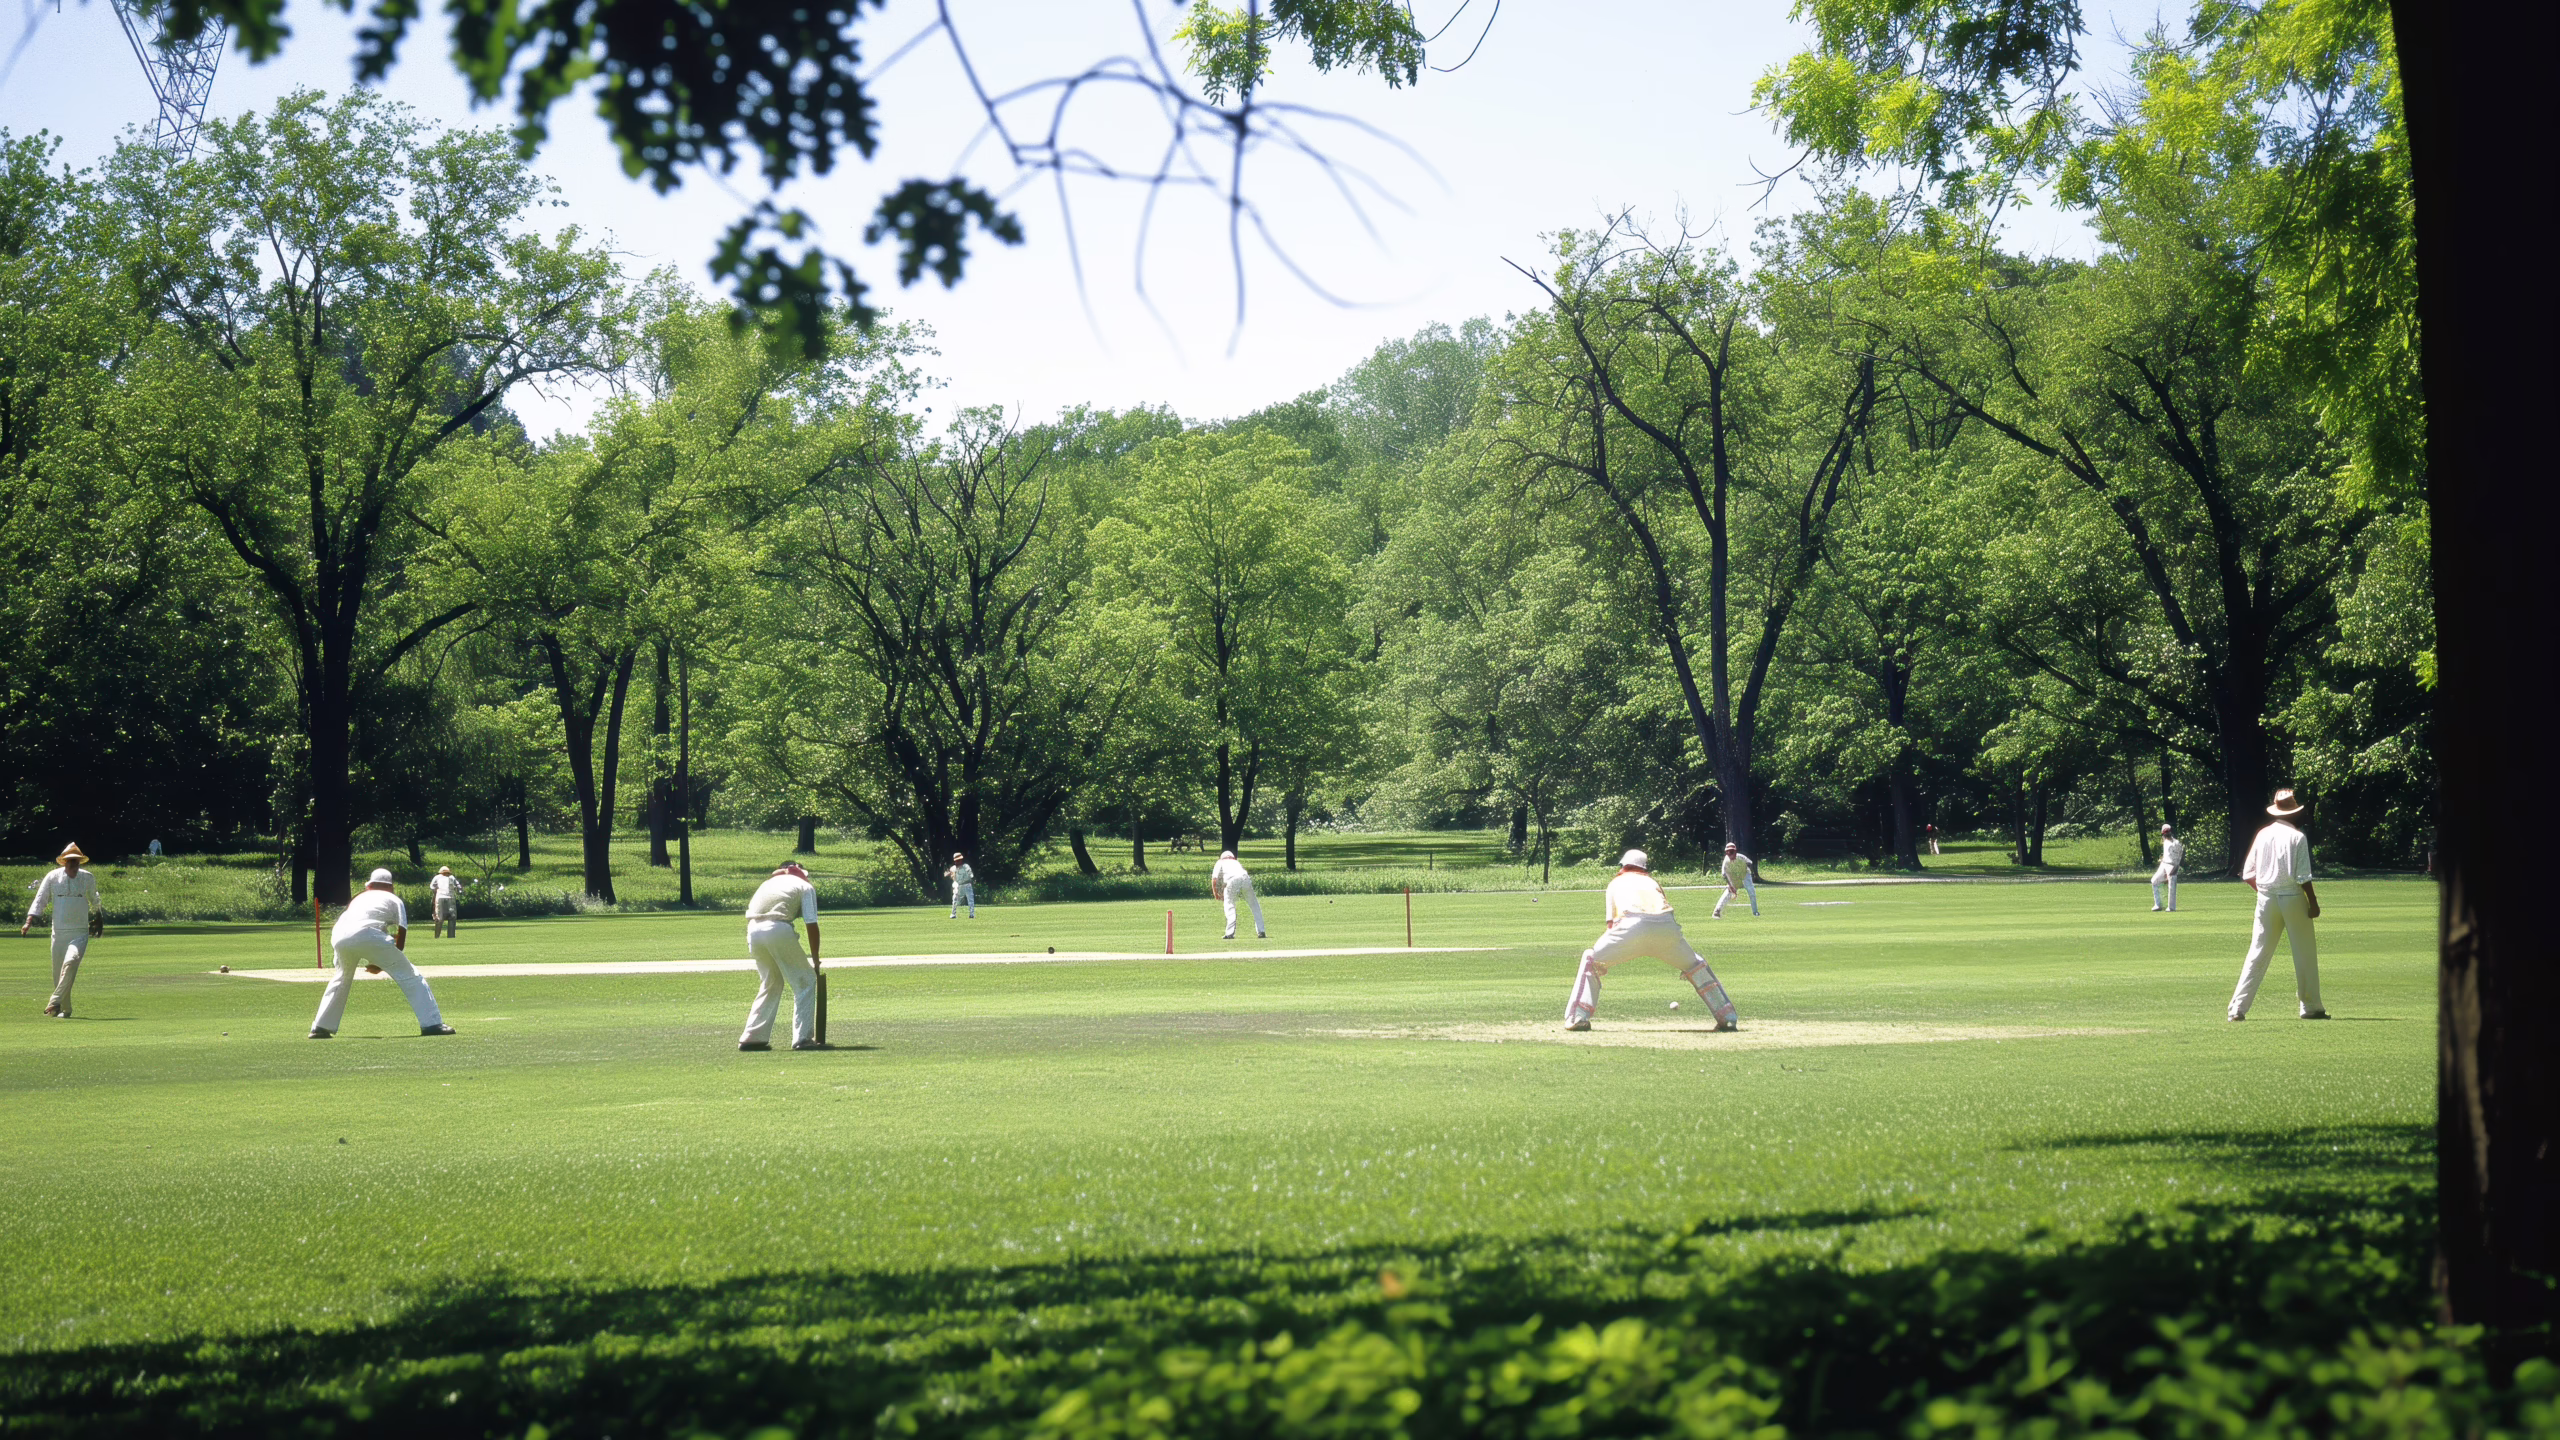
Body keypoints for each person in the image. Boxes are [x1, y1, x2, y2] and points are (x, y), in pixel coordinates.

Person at [1565, 849, 1738, 1032]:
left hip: (1631, 926)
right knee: (1695, 964)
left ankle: (1578, 1017)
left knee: (1591, 959)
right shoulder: (1652, 882)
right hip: (1667, 929)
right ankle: (1727, 1018)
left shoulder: (1615, 883)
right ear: (1644, 868)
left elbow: (1611, 923)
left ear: (1623, 866)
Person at [310, 869, 454, 1038]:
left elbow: (363, 929)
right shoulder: (394, 899)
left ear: (369, 886)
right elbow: (401, 933)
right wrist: (381, 963)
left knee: (341, 978)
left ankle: (320, 1027)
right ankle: (432, 1024)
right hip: (369, 934)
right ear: (391, 887)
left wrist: (379, 959)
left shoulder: (359, 898)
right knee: (411, 976)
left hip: (340, 935)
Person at [2227, 789, 2329, 1022]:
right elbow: (2303, 877)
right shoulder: (2298, 837)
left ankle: (2237, 1008)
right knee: (2304, 953)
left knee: (2257, 953)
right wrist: (2313, 903)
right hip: (2293, 897)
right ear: (2294, 813)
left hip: (2266, 898)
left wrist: (2264, 892)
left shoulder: (2263, 834)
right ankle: (2310, 1007)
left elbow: (2248, 874)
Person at [740, 860, 824, 1051]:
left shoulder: (767, 883)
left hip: (753, 930)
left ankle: (752, 1037)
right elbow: (811, 923)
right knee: (805, 980)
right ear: (802, 873)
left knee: (771, 982)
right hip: (778, 928)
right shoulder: (804, 886)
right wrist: (816, 959)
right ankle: (803, 1039)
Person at [22, 841, 100, 1019]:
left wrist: (98, 918)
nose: (74, 865)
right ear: (64, 862)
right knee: (59, 972)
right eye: (71, 861)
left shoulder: (87, 877)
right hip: (59, 931)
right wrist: (29, 921)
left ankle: (54, 1001)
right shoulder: (52, 877)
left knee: (71, 962)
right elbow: (40, 899)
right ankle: (65, 1009)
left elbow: (95, 899)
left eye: (77, 861)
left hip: (79, 931)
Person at [1209, 849, 1265, 939]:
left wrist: (1215, 893)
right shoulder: (1236, 862)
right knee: (1254, 905)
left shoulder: (1220, 862)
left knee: (1229, 904)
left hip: (1232, 881)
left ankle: (1229, 933)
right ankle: (1261, 931)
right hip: (1245, 878)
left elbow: (1214, 879)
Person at [1711, 842, 1760, 917]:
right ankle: (1717, 911)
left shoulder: (1741, 857)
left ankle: (1755, 912)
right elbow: (1724, 875)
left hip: (1745, 874)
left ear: (1735, 851)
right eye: (1728, 852)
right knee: (1728, 892)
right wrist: (1730, 886)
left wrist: (1751, 874)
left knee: (1752, 892)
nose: (1730, 854)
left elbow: (1750, 863)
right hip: (1733, 876)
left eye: (1732, 852)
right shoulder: (1726, 862)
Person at [2150, 824, 2184, 912]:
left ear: (2170, 832)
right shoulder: (2164, 841)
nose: (2165, 835)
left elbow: (2179, 856)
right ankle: (2158, 905)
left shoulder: (2176, 843)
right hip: (2164, 864)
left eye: (2167, 833)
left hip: (2172, 865)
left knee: (2171, 886)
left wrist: (2175, 867)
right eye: (2164, 833)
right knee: (2154, 880)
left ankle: (2171, 907)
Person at [428, 865, 464, 938]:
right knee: (446, 917)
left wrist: (436, 891)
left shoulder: (447, 877)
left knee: (445, 917)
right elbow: (458, 886)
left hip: (444, 897)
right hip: (447, 897)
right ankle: (444, 936)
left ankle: (441, 936)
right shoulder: (445, 877)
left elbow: (432, 887)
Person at [946, 852, 976, 919]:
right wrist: (948, 874)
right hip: (958, 886)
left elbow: (971, 875)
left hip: (967, 885)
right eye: (956, 860)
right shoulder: (953, 868)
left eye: (958, 860)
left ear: (961, 860)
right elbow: (949, 874)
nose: (957, 862)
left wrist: (972, 878)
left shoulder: (966, 866)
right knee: (955, 899)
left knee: (970, 900)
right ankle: (953, 914)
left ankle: (972, 914)